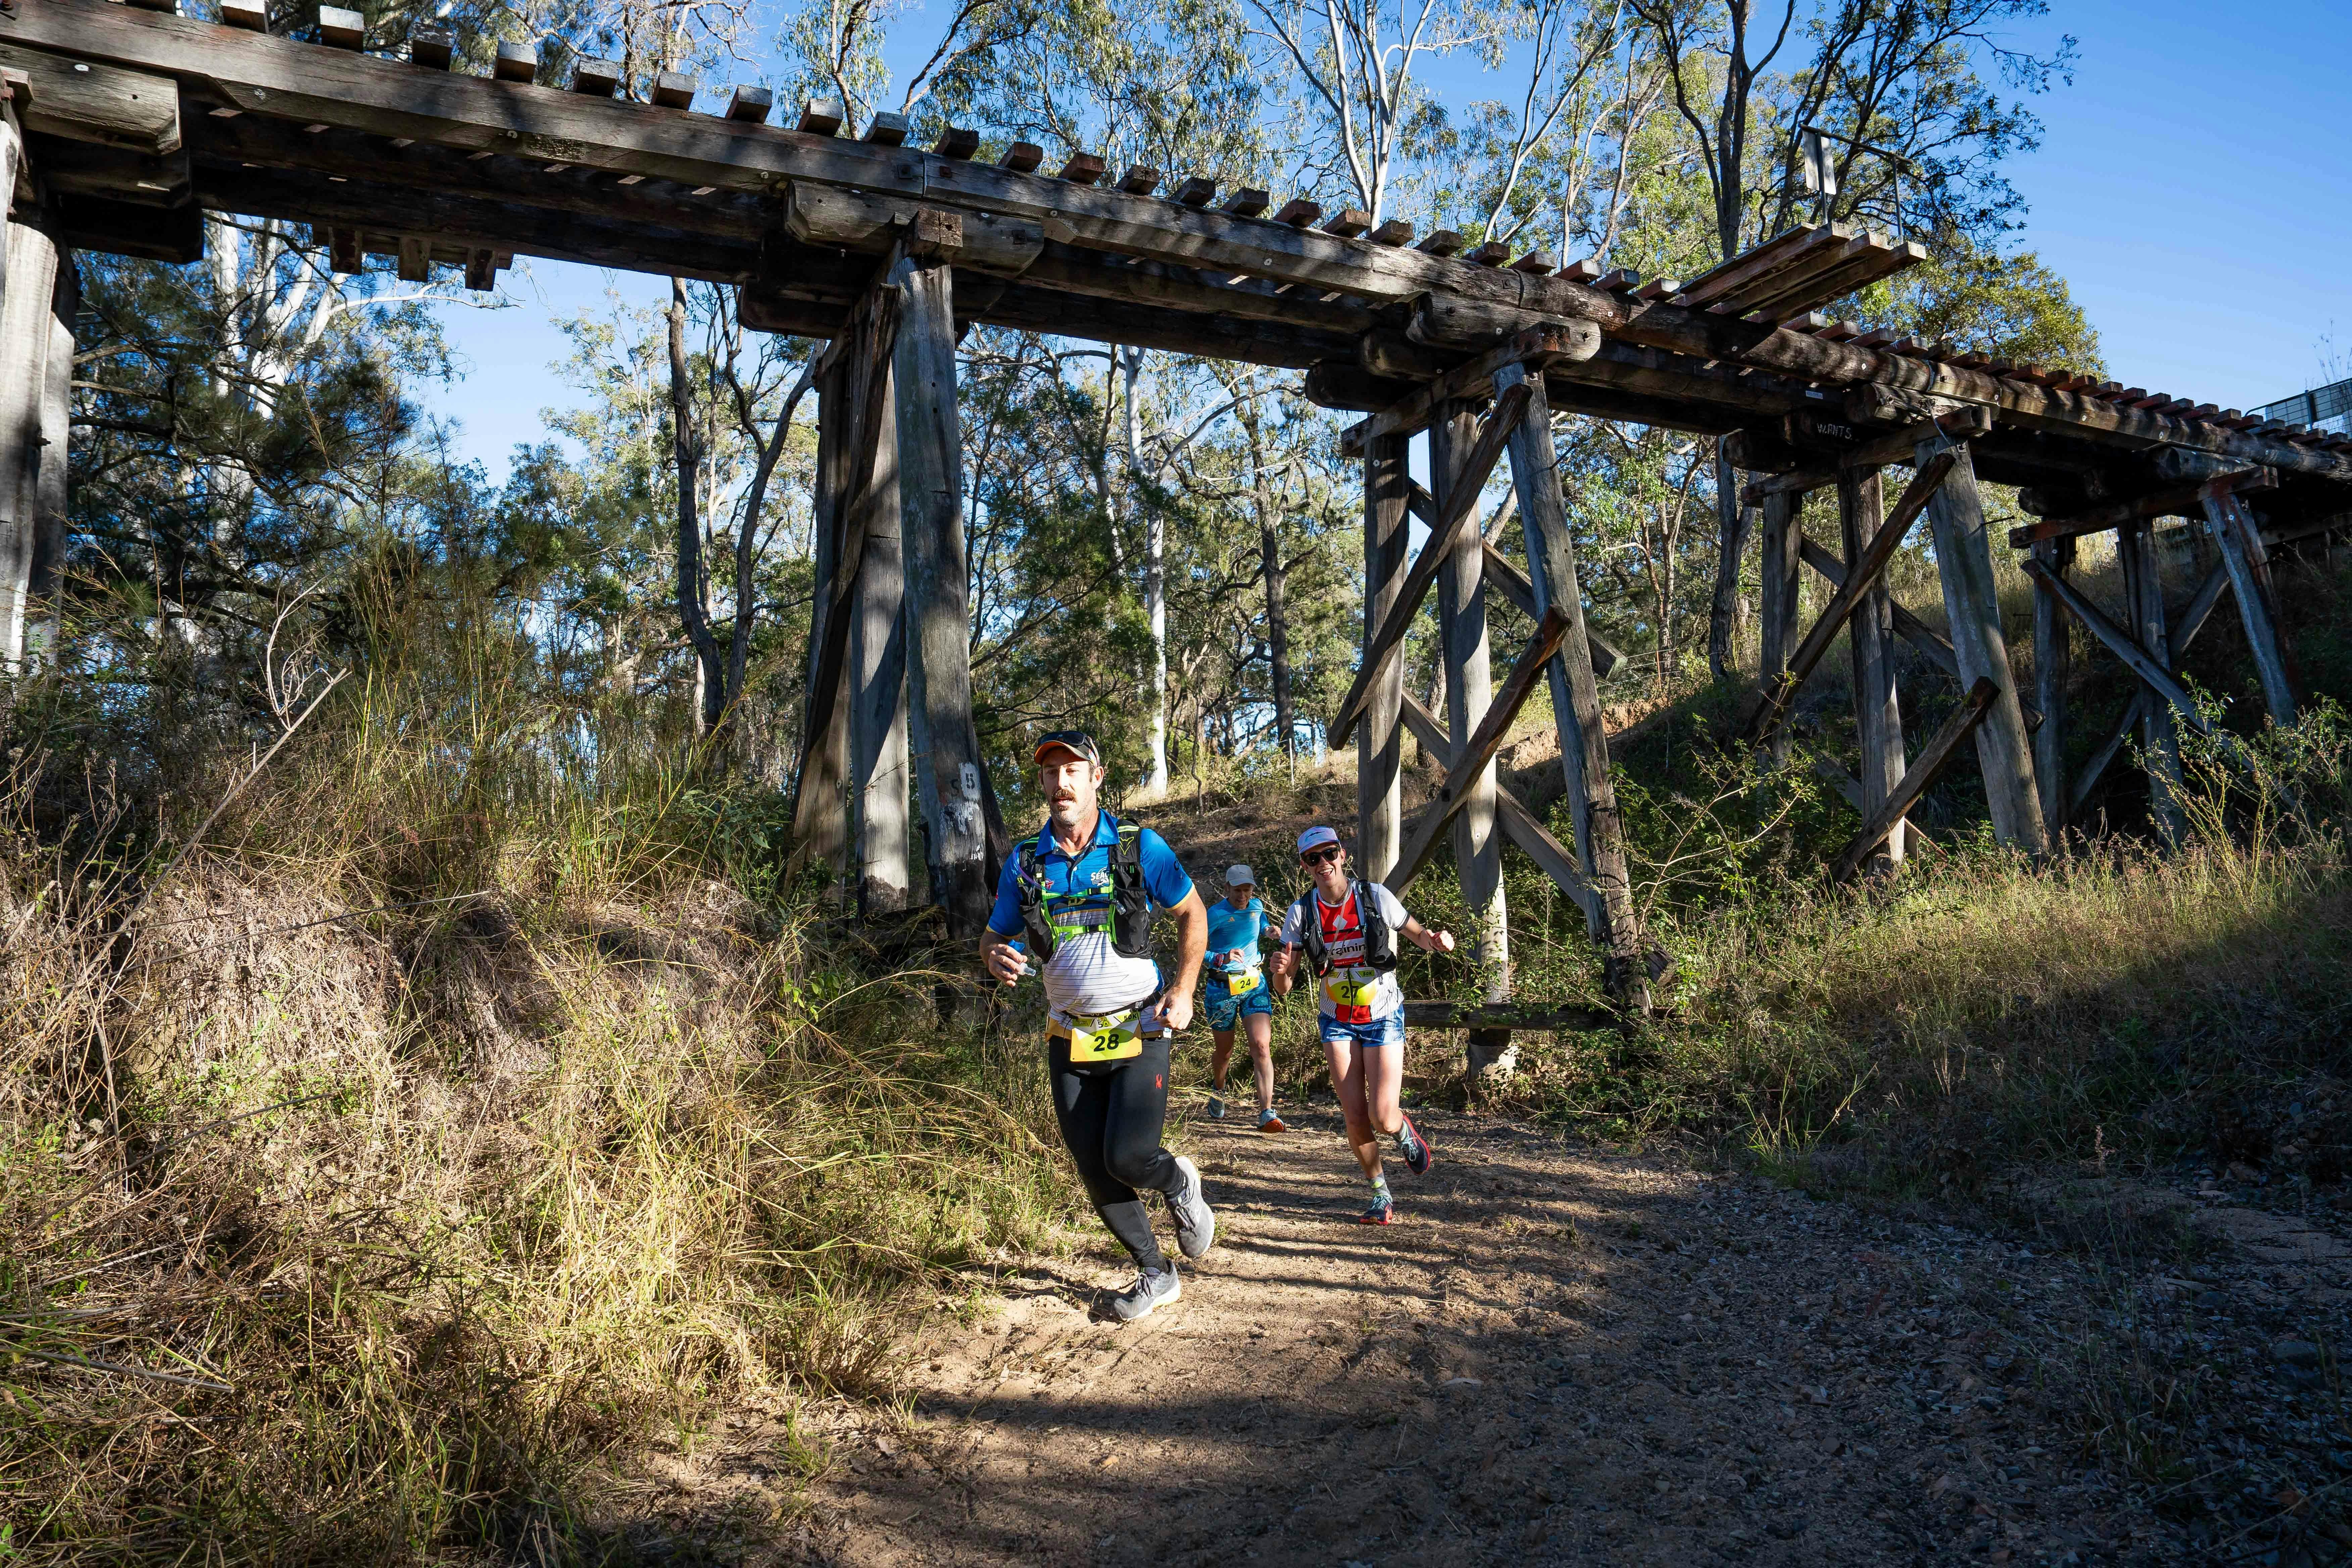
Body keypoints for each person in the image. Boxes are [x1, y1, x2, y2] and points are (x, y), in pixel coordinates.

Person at [980, 730, 1215, 1322]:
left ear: (1096, 778)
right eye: (1049, 772)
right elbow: (994, 933)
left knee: (1128, 1156)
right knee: (1091, 1163)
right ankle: (1156, 1272)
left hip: (1140, 1026)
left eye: (1071, 770)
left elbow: (1192, 913)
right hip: (1069, 1034)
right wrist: (992, 954)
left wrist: (1184, 990)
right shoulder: (1027, 860)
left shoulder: (1138, 847)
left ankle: (1177, 1180)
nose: (1059, 782)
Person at [1270, 825, 1455, 1224]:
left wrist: (1437, 940)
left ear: (1343, 854)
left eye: (1329, 853)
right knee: (1355, 1116)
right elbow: (1284, 988)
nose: (1323, 864)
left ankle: (1404, 1133)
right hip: (1337, 1020)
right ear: (1305, 866)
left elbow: (1417, 933)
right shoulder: (1301, 912)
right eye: (1312, 858)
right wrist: (1281, 971)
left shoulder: (1374, 896)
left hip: (1383, 1015)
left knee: (1383, 1116)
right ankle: (1380, 1194)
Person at [1201, 864, 1284, 1133]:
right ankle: (1219, 1089)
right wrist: (1220, 958)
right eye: (1237, 890)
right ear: (1227, 888)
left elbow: (1260, 927)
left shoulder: (1257, 906)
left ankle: (1267, 1113)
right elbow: (1193, 948)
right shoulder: (1214, 914)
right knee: (1224, 1053)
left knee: (1261, 1045)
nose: (1243, 896)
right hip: (1221, 987)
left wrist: (1270, 931)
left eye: (1247, 890)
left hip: (1253, 983)